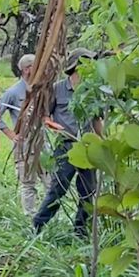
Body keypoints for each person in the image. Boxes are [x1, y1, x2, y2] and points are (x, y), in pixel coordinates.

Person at [33, 50, 96, 238]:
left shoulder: (92, 91)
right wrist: (53, 126)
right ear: (77, 66)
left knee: (88, 191)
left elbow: (97, 119)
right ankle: (37, 224)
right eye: (87, 63)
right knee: (58, 189)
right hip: (65, 147)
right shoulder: (57, 89)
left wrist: (102, 143)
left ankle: (81, 230)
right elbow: (44, 115)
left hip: (87, 148)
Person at [0, 53, 39, 217]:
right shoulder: (13, 92)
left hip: (42, 144)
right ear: (27, 69)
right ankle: (30, 218)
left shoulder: (41, 89)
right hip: (24, 146)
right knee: (28, 183)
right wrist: (10, 133)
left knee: (50, 181)